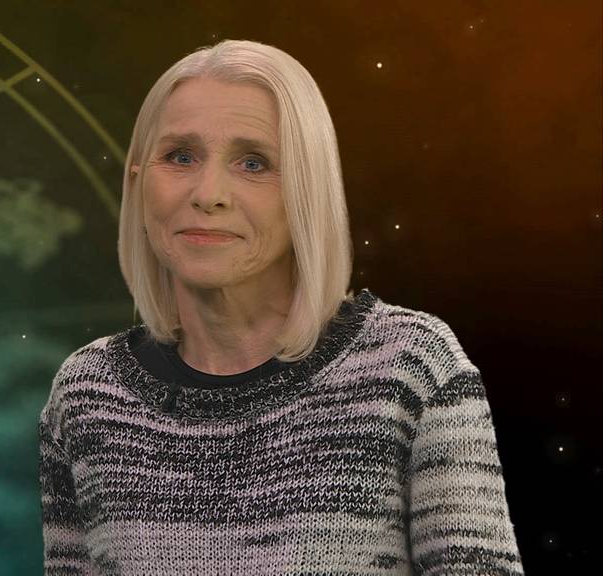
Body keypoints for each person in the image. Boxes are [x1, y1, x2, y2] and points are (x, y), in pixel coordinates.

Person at [38, 39, 524, 575]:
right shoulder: (88, 393)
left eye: (254, 162)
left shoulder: (409, 368)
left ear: (308, 190)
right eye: (180, 156)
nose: (208, 193)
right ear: (138, 178)